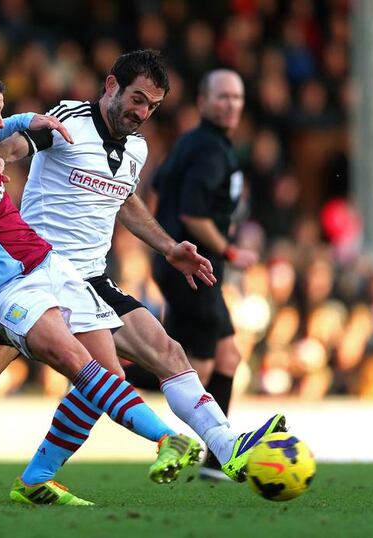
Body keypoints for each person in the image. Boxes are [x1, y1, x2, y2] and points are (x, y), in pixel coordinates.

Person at [0, 53, 285, 506]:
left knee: (161, 352)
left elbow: (126, 202)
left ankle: (225, 448)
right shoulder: (71, 117)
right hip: (27, 276)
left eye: (152, 106)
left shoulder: (137, 148)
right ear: (111, 85)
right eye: (137, 99)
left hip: (89, 279)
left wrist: (169, 248)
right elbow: (17, 146)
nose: (142, 112)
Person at [140, 68, 260, 481]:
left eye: (237, 97)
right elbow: (193, 213)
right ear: (204, 103)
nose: (231, 104)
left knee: (227, 355)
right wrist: (228, 249)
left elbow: (158, 185)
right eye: (222, 96)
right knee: (198, 367)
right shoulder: (210, 150)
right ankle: (105, 373)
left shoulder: (193, 143)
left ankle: (216, 461)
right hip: (194, 267)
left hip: (186, 265)